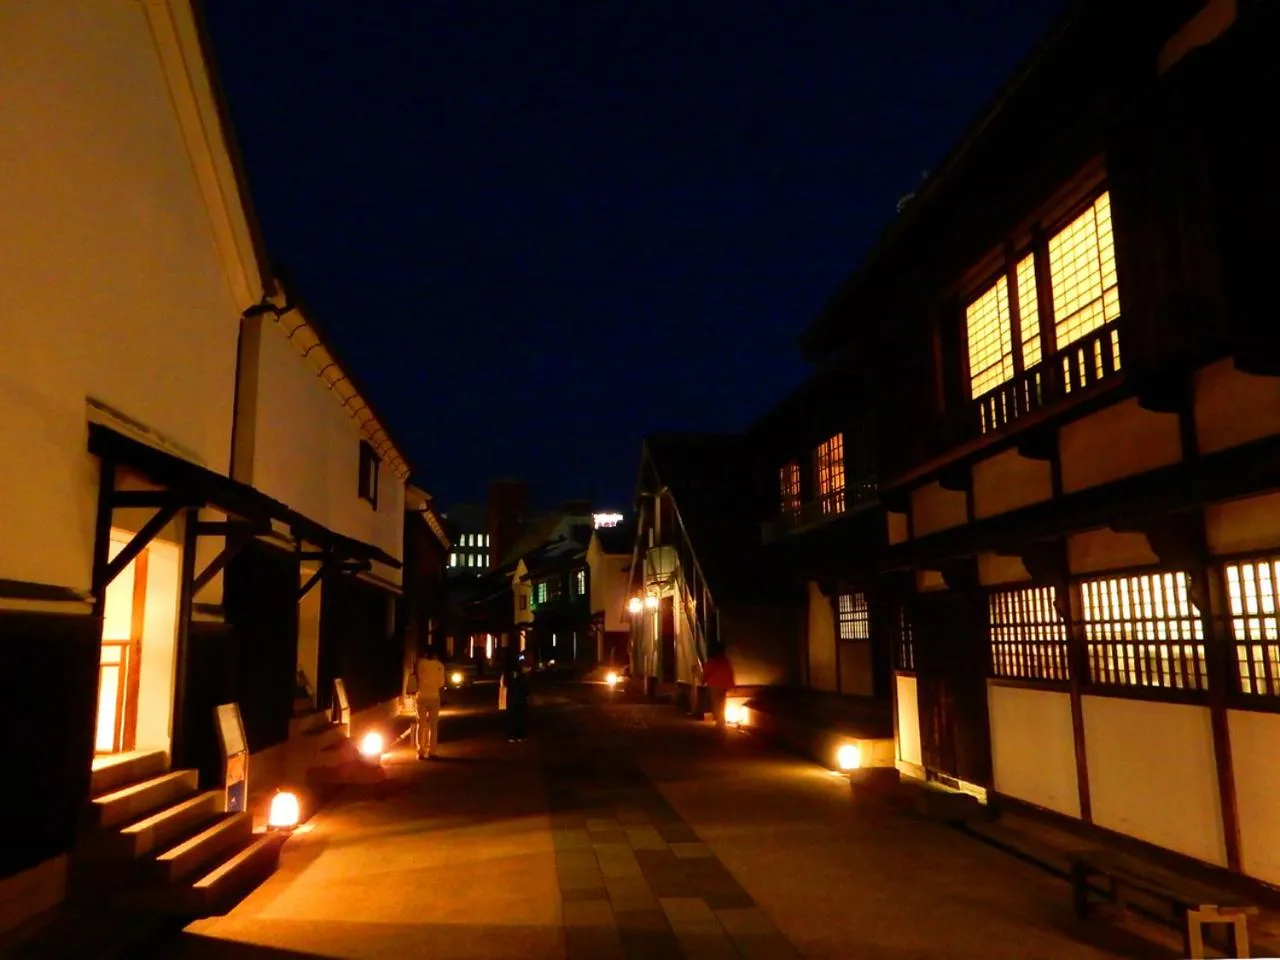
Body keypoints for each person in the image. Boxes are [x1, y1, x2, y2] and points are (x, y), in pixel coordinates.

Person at [415, 646, 446, 759]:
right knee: (433, 725)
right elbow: (441, 683)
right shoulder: (440, 666)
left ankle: (420, 751)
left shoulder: (421, 664)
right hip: (434, 696)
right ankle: (432, 751)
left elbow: (418, 676)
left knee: (421, 723)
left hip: (422, 696)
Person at [702, 645, 735, 729]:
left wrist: (704, 681)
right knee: (722, 702)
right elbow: (729, 671)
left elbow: (707, 671)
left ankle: (719, 721)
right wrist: (731, 684)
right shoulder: (725, 661)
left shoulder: (711, 661)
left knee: (716, 703)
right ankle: (721, 720)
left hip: (714, 684)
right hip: (724, 684)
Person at [504, 648, 530, 742]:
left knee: (517, 715)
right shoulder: (513, 669)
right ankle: (515, 735)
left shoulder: (515, 662)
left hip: (517, 694)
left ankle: (517, 735)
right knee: (516, 715)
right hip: (515, 694)